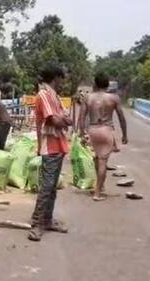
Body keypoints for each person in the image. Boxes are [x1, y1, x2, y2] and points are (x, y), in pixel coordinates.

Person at [28, 65, 71, 242]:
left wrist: (63, 120)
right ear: (56, 78)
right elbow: (55, 119)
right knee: (46, 186)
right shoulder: (44, 95)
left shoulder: (54, 96)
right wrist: (63, 120)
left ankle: (47, 220)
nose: (62, 83)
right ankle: (37, 224)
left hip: (58, 145)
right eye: (61, 79)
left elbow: (66, 119)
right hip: (49, 145)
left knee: (52, 187)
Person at [78, 72, 128, 202]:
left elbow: (82, 117)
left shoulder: (88, 98)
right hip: (106, 130)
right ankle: (97, 192)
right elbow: (121, 117)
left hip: (92, 130)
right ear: (107, 84)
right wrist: (124, 134)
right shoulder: (113, 98)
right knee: (102, 162)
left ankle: (100, 186)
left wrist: (81, 133)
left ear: (95, 83)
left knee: (96, 159)